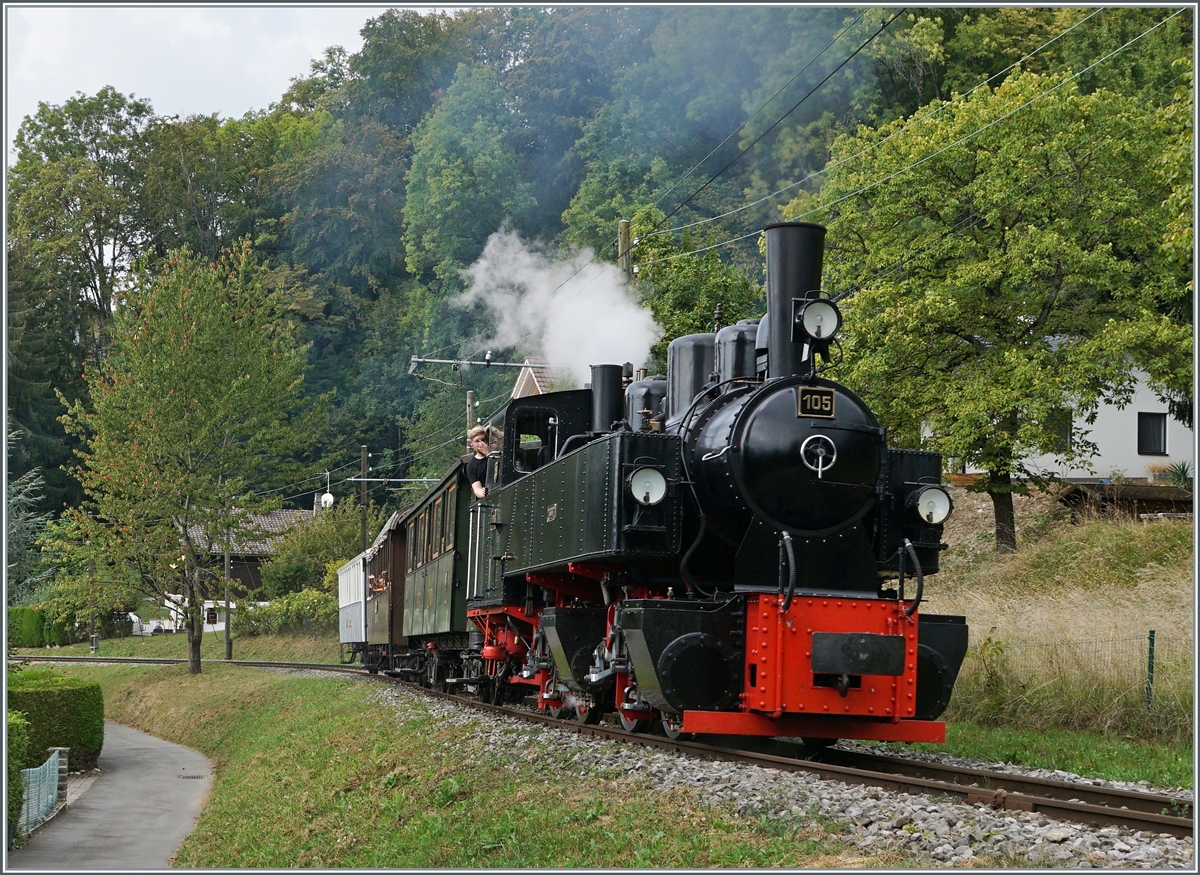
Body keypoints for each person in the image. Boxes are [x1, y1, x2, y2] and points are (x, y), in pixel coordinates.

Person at [466, 425, 490, 499]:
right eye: (477, 441)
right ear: (471, 443)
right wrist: (482, 492)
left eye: (483, 440)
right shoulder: (471, 466)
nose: (481, 443)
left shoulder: (495, 454)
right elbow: (476, 489)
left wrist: (488, 453)